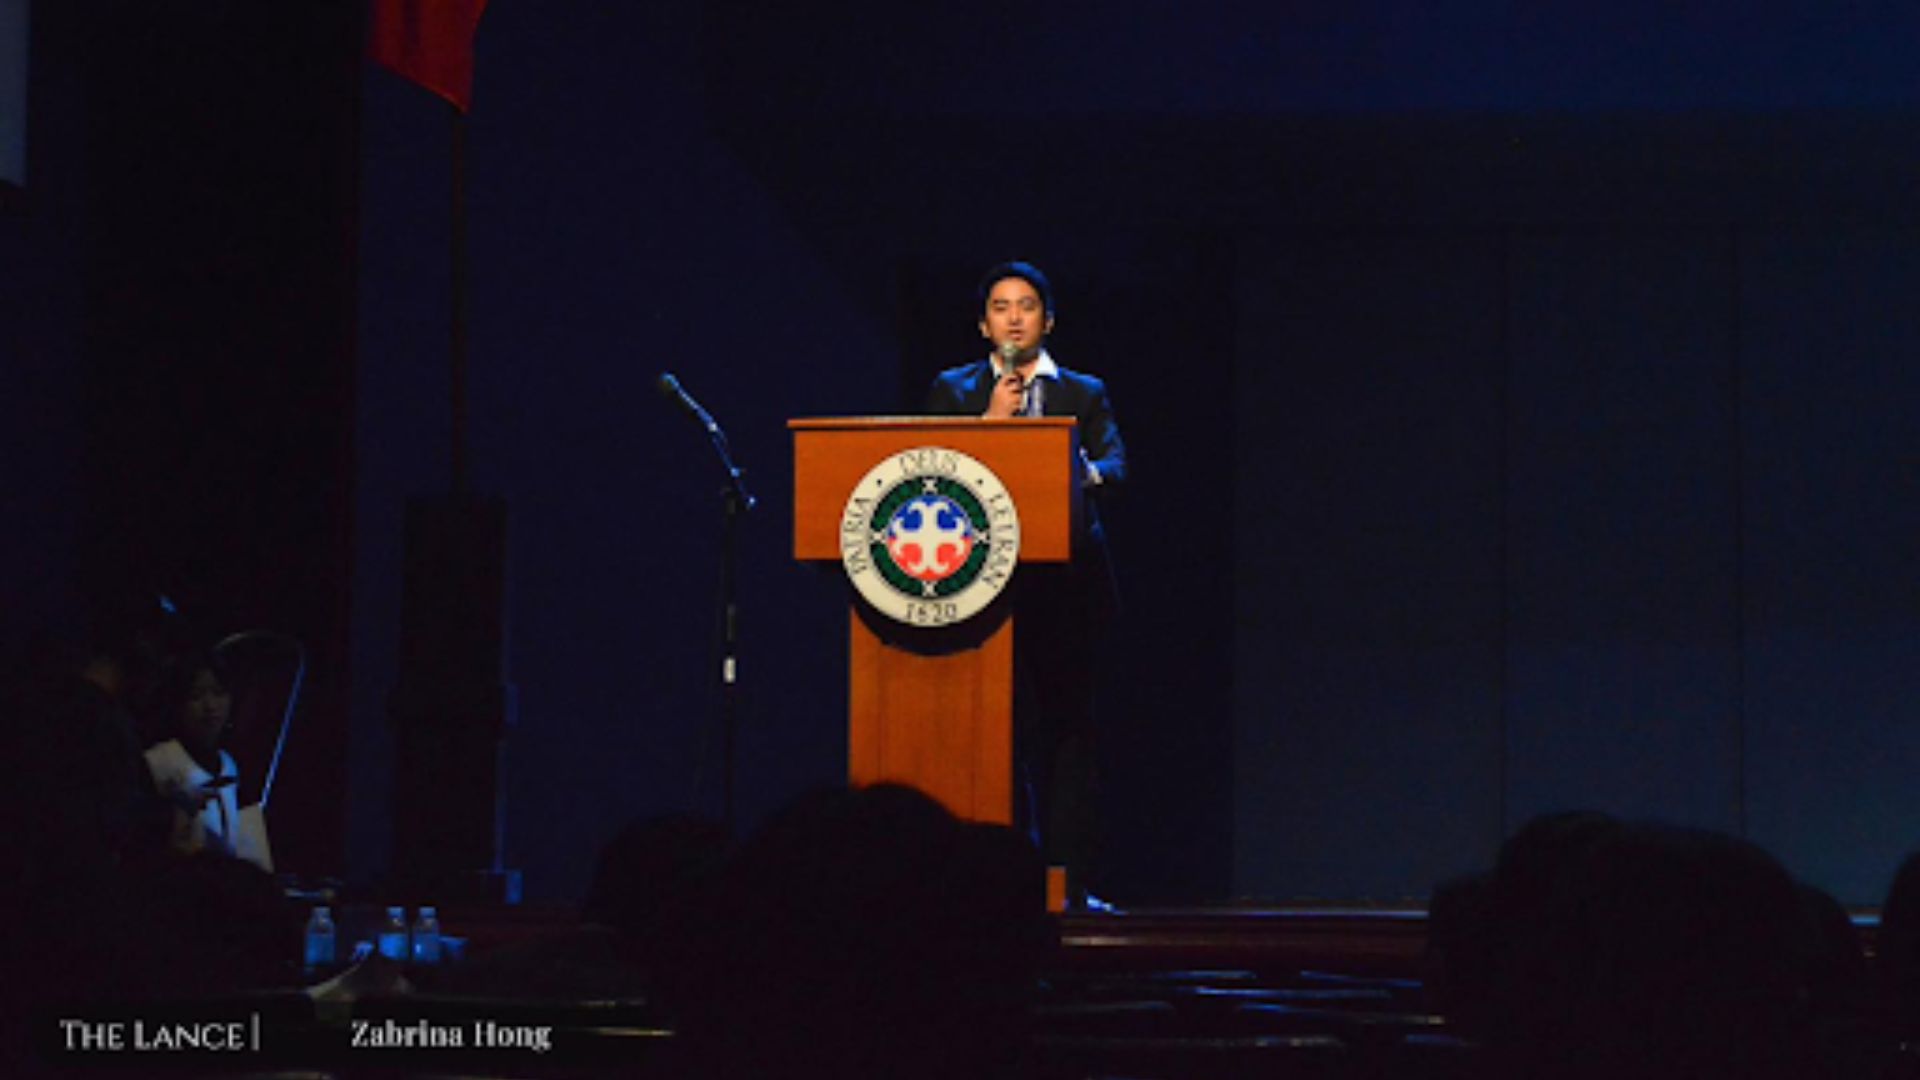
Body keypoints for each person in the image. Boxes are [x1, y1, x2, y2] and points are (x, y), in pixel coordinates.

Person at [924, 260, 1126, 910]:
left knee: (1069, 733)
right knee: (996, 732)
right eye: (1001, 307)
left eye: (1027, 306)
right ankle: (1002, 882)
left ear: (1049, 320)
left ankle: (1069, 884)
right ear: (984, 324)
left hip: (1067, 586)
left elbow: (1116, 464)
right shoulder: (954, 389)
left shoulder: (1083, 391)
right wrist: (988, 425)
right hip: (984, 589)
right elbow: (930, 466)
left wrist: (1075, 469)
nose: (1014, 318)